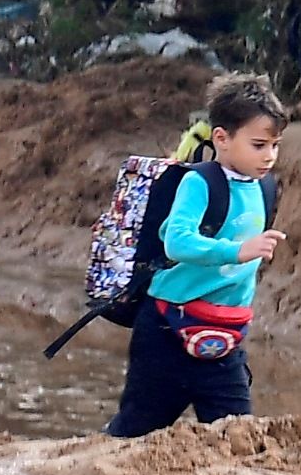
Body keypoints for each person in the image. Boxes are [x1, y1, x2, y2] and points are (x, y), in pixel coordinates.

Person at [108, 77, 289, 438]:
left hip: (225, 337)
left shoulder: (265, 187)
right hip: (165, 332)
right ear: (221, 138)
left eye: (275, 145)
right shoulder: (199, 182)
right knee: (134, 431)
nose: (269, 155)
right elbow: (177, 243)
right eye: (258, 145)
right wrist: (237, 251)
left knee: (238, 436)